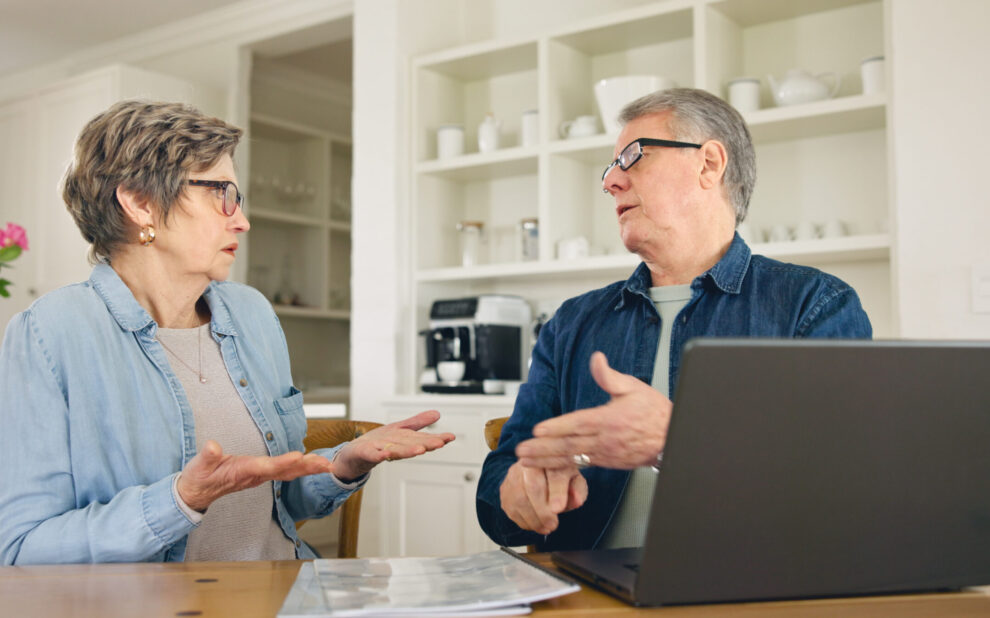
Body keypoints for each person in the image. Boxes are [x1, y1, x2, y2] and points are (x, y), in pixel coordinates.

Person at [0, 100, 454, 565]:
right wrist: (181, 500)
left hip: (287, 594)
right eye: (221, 192)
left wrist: (341, 464)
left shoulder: (251, 313)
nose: (241, 219)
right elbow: (21, 550)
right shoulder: (49, 335)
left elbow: (278, 505)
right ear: (139, 202)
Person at [476, 88, 872, 551]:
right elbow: (494, 498)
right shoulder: (570, 322)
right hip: (583, 597)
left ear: (709, 164)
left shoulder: (815, 305)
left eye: (632, 157)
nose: (611, 183)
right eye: (610, 169)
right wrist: (519, 492)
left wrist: (674, 441)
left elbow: (844, 495)